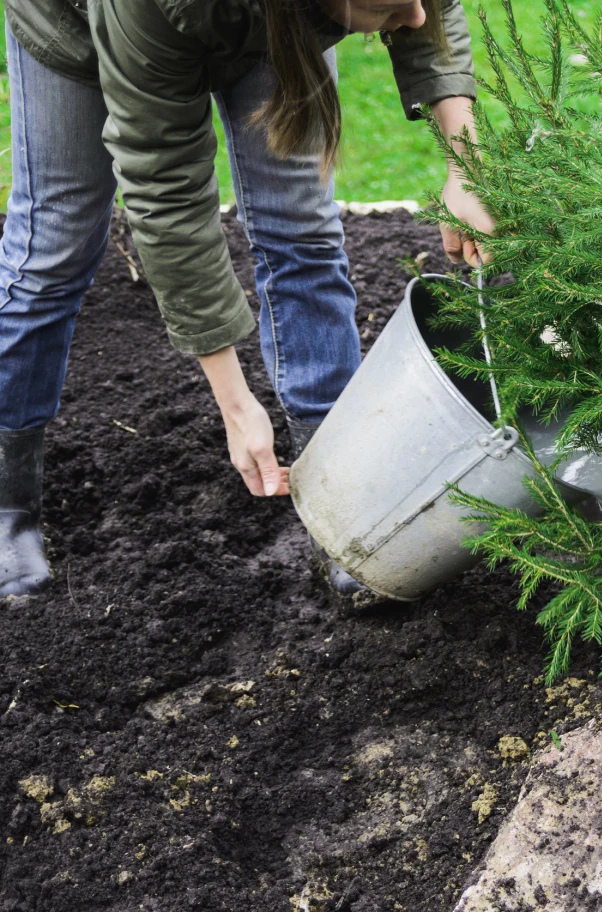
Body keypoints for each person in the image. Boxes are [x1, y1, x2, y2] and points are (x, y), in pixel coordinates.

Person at [0, 0, 493, 598]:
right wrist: (235, 403)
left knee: (303, 228)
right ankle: (8, 506)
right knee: (56, 247)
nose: (414, 17)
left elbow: (432, 14)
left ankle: (344, 483)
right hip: (83, 22)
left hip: (278, 19)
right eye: (390, 5)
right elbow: (167, 193)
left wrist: (467, 162)